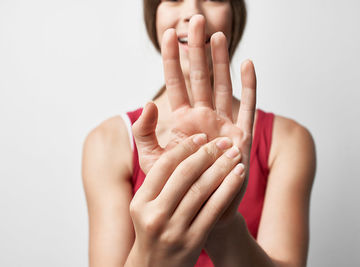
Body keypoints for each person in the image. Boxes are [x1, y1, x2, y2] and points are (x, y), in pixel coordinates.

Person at [82, 1, 316, 266]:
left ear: (235, 14)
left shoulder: (288, 141)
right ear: (153, 13)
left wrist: (223, 223)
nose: (193, 14)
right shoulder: (108, 142)